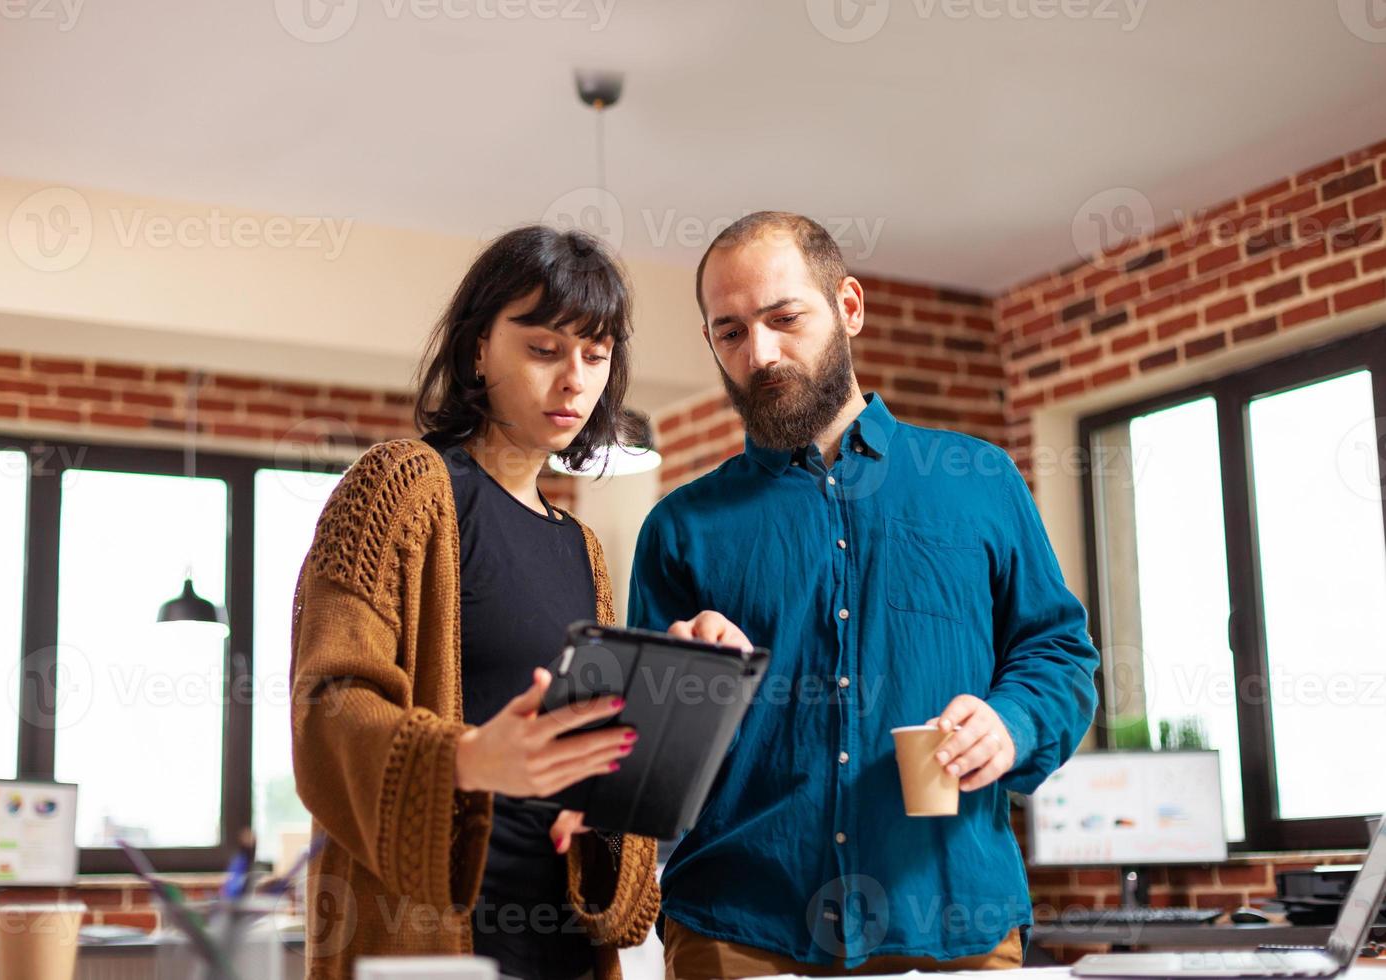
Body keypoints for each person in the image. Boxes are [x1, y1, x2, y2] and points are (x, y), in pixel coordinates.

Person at [627, 212, 1100, 978]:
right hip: (737, 931)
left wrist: (1011, 725)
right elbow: (647, 773)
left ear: (848, 307)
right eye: (731, 332)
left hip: (955, 921)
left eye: (785, 318)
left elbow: (1058, 655)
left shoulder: (978, 482)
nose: (762, 353)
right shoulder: (680, 528)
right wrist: (676, 686)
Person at [289, 225, 661, 980]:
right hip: (431, 945)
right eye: (544, 349)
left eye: (596, 355)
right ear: (476, 351)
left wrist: (608, 795)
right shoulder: (399, 486)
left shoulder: (582, 549)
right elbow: (326, 707)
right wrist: (463, 757)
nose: (575, 382)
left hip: (563, 946)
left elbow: (584, 750)